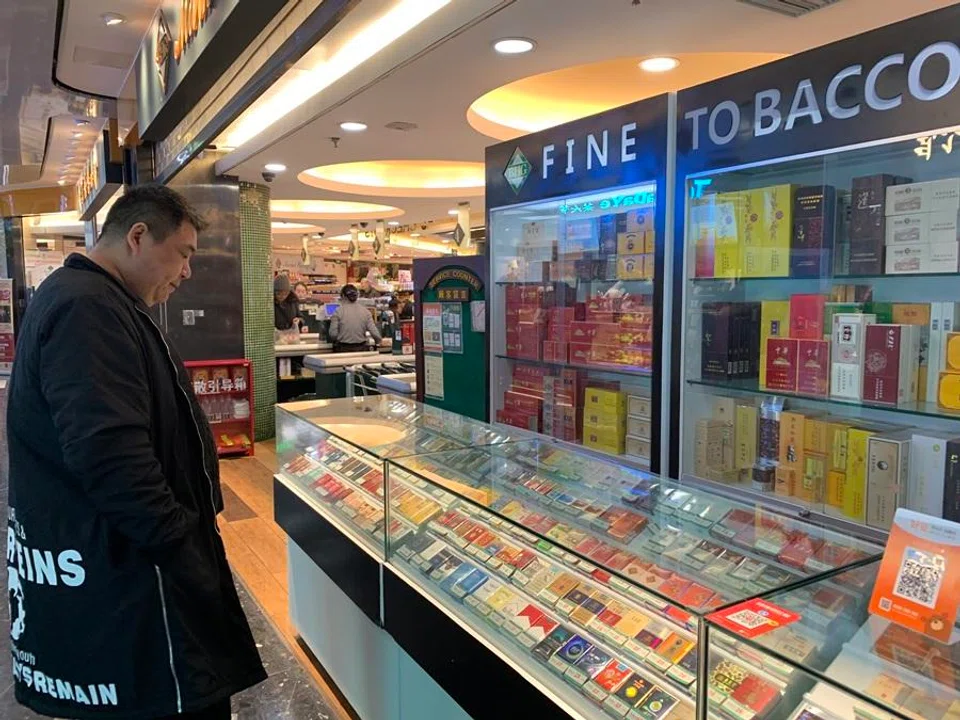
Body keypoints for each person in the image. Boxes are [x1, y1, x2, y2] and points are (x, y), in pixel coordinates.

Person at [5, 185, 266, 719]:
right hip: (131, 582)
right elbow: (109, 453)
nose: (187, 272)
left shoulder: (93, 299)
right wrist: (179, 542)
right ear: (138, 236)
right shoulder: (87, 308)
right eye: (184, 254)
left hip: (121, 570)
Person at [329, 283, 381, 352]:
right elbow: (375, 334)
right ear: (357, 296)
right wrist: (378, 342)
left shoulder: (338, 311)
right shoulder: (366, 312)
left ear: (343, 296)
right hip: (361, 349)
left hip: (343, 349)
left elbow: (333, 334)